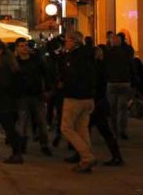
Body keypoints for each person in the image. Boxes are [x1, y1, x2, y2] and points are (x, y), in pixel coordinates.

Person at [59, 31, 98, 173]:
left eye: (67, 40)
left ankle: (87, 156)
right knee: (82, 129)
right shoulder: (90, 55)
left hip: (75, 97)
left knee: (66, 128)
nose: (65, 43)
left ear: (75, 41)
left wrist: (64, 86)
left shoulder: (74, 57)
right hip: (88, 97)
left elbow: (71, 76)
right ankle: (86, 159)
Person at [15, 38, 53, 156]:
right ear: (17, 48)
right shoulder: (15, 63)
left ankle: (44, 144)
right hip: (22, 96)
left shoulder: (36, 60)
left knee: (41, 121)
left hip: (37, 95)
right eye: (21, 46)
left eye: (26, 45)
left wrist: (47, 89)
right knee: (22, 123)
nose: (24, 48)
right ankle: (22, 145)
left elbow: (46, 74)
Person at [103, 32, 134, 140]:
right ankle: (122, 129)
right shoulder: (127, 52)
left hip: (112, 82)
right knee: (122, 108)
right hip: (124, 82)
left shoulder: (108, 53)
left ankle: (114, 130)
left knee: (113, 108)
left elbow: (104, 68)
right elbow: (131, 66)